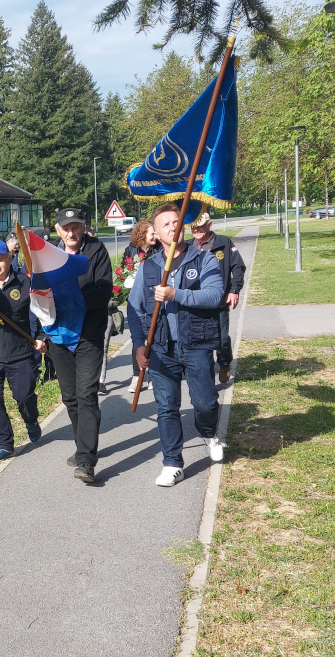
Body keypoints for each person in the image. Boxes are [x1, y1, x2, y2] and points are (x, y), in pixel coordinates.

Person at [128, 204, 225, 488]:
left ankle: (208, 433)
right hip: (160, 348)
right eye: (166, 224)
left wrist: (176, 294)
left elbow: (214, 296)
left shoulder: (204, 259)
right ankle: (172, 463)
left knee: (205, 403)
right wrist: (139, 345)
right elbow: (134, 309)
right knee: (166, 407)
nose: (173, 227)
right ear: (156, 234)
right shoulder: (148, 267)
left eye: (177, 222)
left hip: (196, 343)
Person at [47, 208, 114, 484]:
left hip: (88, 334)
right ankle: (81, 446)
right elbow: (37, 293)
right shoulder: (49, 254)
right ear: (58, 230)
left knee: (87, 394)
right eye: (66, 228)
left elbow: (104, 291)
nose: (71, 232)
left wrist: (71, 298)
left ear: (83, 227)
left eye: (76, 226)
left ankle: (86, 460)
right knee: (70, 397)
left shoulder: (96, 250)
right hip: (59, 335)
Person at [0, 239, 46, 461]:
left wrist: (41, 337)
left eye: (0, 260)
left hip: (20, 353)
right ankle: (4, 443)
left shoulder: (25, 283)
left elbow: (41, 313)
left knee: (24, 396)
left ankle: (31, 419)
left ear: (9, 259)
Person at [189, 212, 246, 384]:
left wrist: (234, 290)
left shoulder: (223, 243)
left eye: (200, 226)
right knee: (201, 340)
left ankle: (224, 363)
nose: (196, 230)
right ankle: (206, 373)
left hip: (219, 302)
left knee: (221, 338)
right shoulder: (188, 246)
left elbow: (238, 267)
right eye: (193, 226)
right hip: (196, 303)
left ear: (210, 225)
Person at [121, 220, 161, 393]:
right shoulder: (130, 250)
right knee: (138, 339)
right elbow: (123, 271)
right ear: (143, 234)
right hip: (137, 297)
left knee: (154, 336)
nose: (155, 236)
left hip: (154, 297)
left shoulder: (159, 249)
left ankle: (152, 375)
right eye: (152, 233)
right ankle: (137, 376)